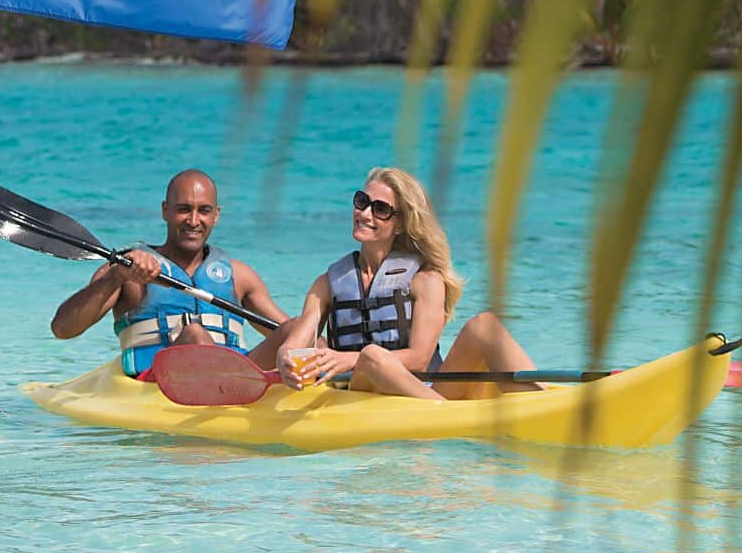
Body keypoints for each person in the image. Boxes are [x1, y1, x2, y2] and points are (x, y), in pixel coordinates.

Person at [272, 165, 539, 399]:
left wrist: (350, 359)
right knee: (372, 357)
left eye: (380, 209)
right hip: (361, 396)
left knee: (485, 325)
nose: (365, 213)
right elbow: (298, 339)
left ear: (400, 224)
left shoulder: (425, 279)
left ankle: (544, 400)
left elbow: (420, 359)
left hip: (423, 392)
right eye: (361, 201)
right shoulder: (328, 283)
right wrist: (285, 358)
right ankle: (447, 419)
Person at [50, 169, 288, 377]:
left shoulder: (239, 275)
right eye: (184, 209)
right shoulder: (127, 269)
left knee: (299, 329)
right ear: (166, 211)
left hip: (237, 374)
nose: (193, 221)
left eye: (203, 211)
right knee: (194, 334)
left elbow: (290, 334)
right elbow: (63, 329)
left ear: (216, 215)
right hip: (160, 379)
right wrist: (116, 277)